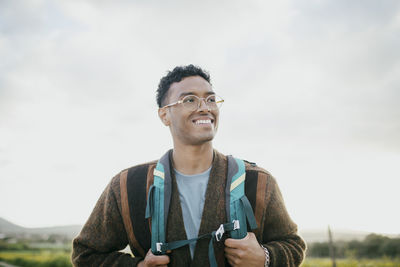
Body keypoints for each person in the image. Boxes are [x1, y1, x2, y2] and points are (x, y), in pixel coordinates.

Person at [71, 64, 306, 266]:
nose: (205, 106)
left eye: (211, 99)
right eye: (189, 99)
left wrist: (265, 258)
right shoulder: (126, 185)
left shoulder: (257, 181)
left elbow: (293, 245)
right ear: (164, 115)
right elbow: (85, 255)